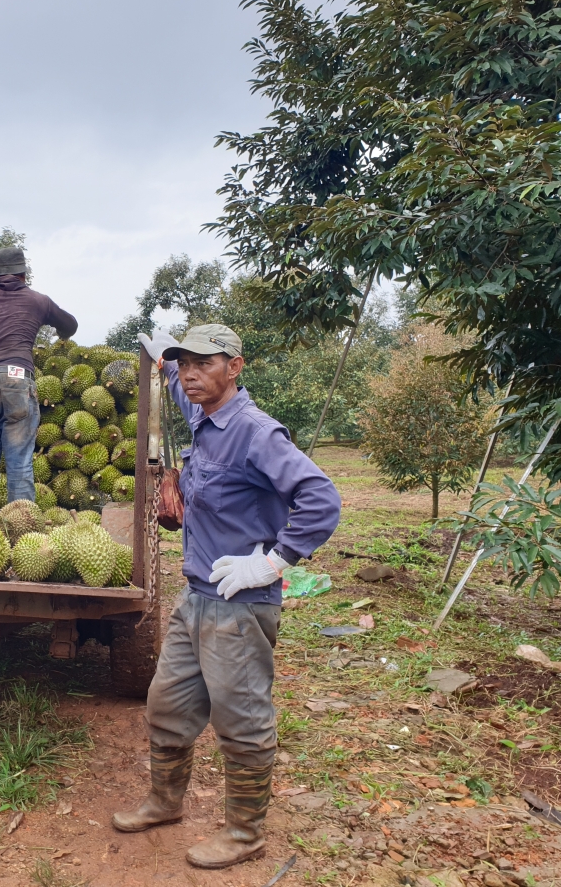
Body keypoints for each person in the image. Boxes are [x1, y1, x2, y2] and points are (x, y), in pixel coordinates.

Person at [113, 324, 341, 870]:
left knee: (241, 721)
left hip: (239, 606)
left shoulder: (255, 433)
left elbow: (321, 499)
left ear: (235, 366)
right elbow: (175, 380)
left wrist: (271, 561)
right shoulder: (200, 412)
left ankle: (245, 834)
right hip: (195, 598)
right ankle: (165, 803)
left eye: (204, 363)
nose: (191, 373)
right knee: (166, 706)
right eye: (185, 363)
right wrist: (163, 356)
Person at [0, 246, 78, 516]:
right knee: (19, 461)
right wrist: (59, 331)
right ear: (23, 275)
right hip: (17, 378)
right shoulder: (38, 300)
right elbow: (70, 325)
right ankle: (21, 529)